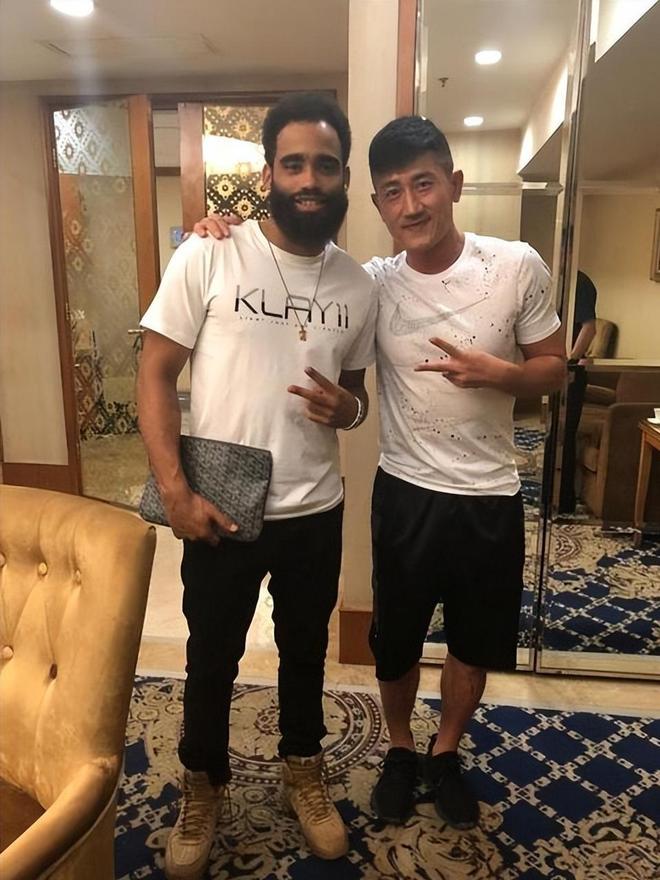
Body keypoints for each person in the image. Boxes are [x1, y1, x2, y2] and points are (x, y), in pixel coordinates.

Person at [194, 116, 565, 833]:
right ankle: (399, 748)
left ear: (454, 185)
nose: (411, 205)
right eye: (392, 191)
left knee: (472, 643)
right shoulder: (371, 284)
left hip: (489, 495)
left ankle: (446, 751)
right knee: (394, 641)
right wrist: (220, 226)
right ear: (376, 203)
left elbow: (554, 366)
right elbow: (313, 313)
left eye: (424, 184)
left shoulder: (516, 264)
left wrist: (504, 374)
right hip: (405, 492)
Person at [137, 92, 377, 879]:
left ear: (343, 177)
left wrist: (349, 411)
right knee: (211, 657)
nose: (309, 179)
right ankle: (203, 784)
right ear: (269, 173)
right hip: (222, 505)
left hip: (316, 508)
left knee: (305, 653)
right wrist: (175, 492)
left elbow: (354, 397)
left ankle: (303, 770)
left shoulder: (358, 285)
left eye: (325, 165)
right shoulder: (209, 253)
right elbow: (154, 372)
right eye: (293, 163)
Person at [558, 270, 597, 514]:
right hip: (556, 369)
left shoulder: (580, 283)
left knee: (566, 434)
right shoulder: (557, 284)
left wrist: (570, 361)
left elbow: (589, 328)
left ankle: (565, 501)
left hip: (571, 372)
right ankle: (552, 496)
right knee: (555, 435)